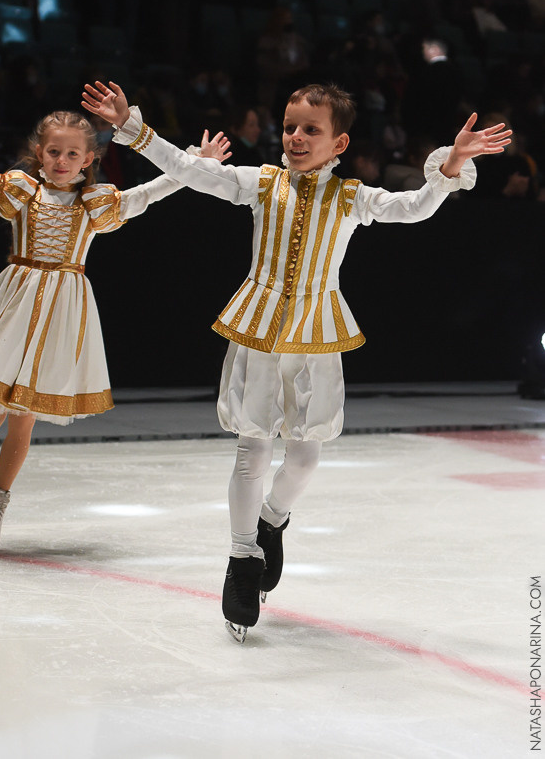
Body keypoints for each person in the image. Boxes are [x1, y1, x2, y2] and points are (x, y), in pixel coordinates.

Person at [82, 79, 511, 642]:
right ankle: (242, 559)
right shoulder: (260, 183)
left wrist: (451, 163)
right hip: (259, 327)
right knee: (252, 450)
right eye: (289, 127)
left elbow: (414, 209)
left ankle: (272, 520)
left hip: (315, 332)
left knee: (305, 458)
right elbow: (190, 170)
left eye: (312, 129)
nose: (296, 137)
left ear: (340, 143)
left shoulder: (352, 196)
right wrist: (132, 129)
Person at [0, 90, 231, 551]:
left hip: (62, 309)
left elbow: (148, 193)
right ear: (40, 153)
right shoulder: (22, 191)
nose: (62, 161)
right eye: (54, 152)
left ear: (89, 159)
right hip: (16, 302)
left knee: (24, 416)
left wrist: (194, 164)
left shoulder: (94, 203)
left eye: (72, 154)